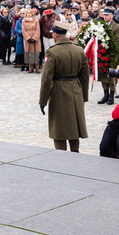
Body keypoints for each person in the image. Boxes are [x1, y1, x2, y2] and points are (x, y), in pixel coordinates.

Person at [39, 20, 90, 152]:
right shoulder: (79, 50)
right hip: (76, 89)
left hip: (58, 90)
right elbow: (85, 76)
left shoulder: (52, 52)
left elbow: (46, 79)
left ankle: (61, 157)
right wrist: (83, 96)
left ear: (55, 35)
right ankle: (75, 152)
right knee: (74, 123)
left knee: (59, 127)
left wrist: (43, 101)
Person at [97, 7, 119, 105]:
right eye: (104, 14)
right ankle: (105, 94)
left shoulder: (116, 27)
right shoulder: (100, 26)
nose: (105, 16)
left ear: (112, 16)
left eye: (107, 15)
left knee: (111, 74)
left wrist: (107, 45)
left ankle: (111, 95)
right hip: (102, 54)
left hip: (112, 54)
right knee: (103, 74)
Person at [23, 9, 41, 74]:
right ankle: (31, 68)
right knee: (30, 54)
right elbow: (24, 30)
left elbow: (38, 30)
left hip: (36, 39)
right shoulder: (24, 21)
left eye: (30, 13)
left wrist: (35, 38)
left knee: (36, 54)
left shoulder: (36, 20)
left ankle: (37, 68)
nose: (29, 14)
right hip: (27, 39)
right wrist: (28, 38)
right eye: (27, 13)